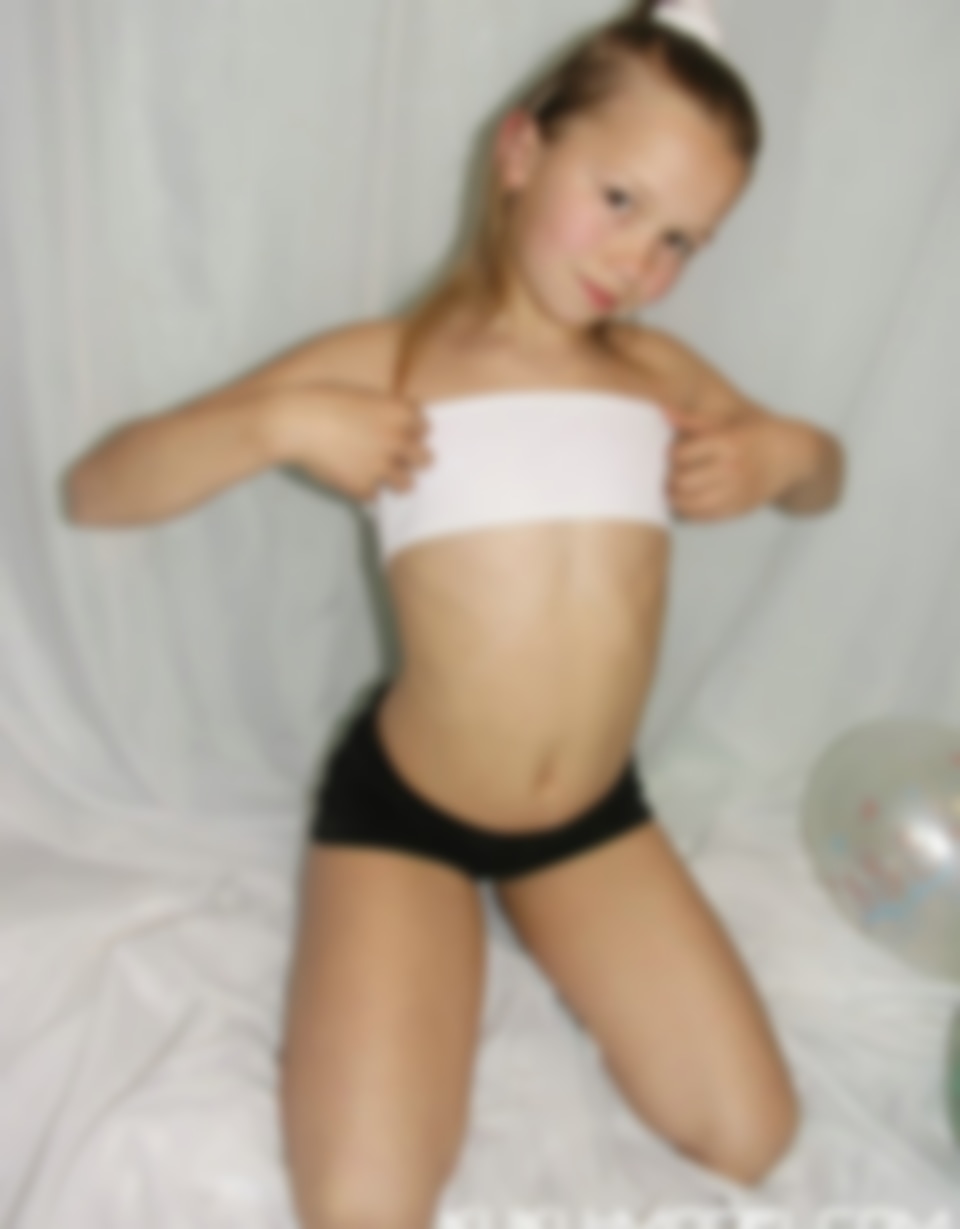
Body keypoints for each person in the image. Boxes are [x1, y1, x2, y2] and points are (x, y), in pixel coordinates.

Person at [63, 0, 845, 1224]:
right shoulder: (395, 360)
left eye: (681, 239)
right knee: (365, 1208)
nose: (638, 262)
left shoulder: (658, 379)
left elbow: (824, 479)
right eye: (620, 198)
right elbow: (98, 489)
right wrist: (277, 422)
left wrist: (789, 453)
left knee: (752, 1134)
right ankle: (422, 918)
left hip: (588, 817)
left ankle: (537, 902)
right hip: (409, 816)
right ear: (523, 149)